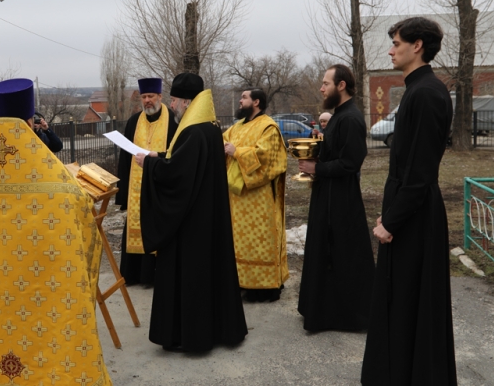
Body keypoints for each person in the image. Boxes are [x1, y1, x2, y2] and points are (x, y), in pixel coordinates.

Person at [0, 79, 112, 386]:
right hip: (39, 284)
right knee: (42, 340)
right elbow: (79, 206)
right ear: (30, 122)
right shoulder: (52, 179)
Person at [361, 17, 456, 385]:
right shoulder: (418, 90)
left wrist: (390, 222)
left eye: (396, 42)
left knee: (410, 301)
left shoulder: (427, 93)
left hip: (414, 218)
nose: (390, 49)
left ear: (417, 46)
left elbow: (420, 173)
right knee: (402, 301)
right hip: (410, 213)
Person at [133, 73, 247, 352]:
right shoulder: (207, 127)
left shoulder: (193, 131)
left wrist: (150, 166)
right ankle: (219, 328)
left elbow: (178, 175)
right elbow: (183, 160)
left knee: (192, 276)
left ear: (186, 101)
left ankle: (192, 336)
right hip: (208, 216)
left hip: (192, 223)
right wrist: (157, 157)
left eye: (173, 100)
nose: (172, 105)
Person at [297, 65, 374, 331]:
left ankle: (347, 316)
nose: (321, 88)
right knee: (325, 251)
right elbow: (336, 155)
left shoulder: (350, 118)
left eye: (325, 83)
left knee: (340, 254)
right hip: (328, 194)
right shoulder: (339, 115)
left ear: (341, 85)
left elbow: (351, 162)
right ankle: (323, 310)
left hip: (341, 199)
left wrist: (316, 168)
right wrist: (317, 160)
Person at [223, 88, 289, 302]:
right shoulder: (237, 127)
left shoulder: (268, 126)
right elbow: (222, 144)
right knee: (238, 241)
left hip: (259, 198)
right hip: (236, 197)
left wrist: (237, 152)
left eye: (244, 97)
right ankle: (243, 281)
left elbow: (268, 157)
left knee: (262, 241)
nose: (240, 101)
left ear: (256, 102)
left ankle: (265, 286)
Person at [115, 78, 177, 286]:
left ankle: (158, 275)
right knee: (136, 227)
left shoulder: (174, 121)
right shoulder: (134, 122)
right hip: (136, 189)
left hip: (161, 187)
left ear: (160, 96)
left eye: (151, 96)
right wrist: (123, 192)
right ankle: (135, 275)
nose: (148, 101)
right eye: (144, 97)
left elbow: (176, 155)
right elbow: (125, 159)